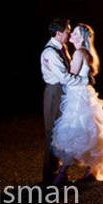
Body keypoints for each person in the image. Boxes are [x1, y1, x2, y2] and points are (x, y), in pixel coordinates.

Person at [51, 23, 103, 183]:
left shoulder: (79, 52)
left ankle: (62, 175)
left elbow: (71, 75)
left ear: (82, 37)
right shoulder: (88, 53)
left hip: (78, 98)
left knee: (74, 132)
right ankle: (92, 172)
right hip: (86, 94)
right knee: (90, 133)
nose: (71, 36)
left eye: (75, 33)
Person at [41, 17, 81, 186]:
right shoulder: (50, 52)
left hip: (62, 91)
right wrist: (82, 81)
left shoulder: (62, 47)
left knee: (61, 132)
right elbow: (64, 77)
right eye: (67, 31)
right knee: (52, 132)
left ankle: (58, 175)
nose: (69, 34)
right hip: (54, 92)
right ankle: (50, 175)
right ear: (58, 33)